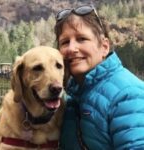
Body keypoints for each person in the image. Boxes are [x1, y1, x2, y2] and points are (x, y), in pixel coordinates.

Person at [54, 4, 144, 150]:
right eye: (65, 42)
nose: (71, 48)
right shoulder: (69, 96)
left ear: (104, 46)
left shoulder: (128, 95)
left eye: (82, 39)